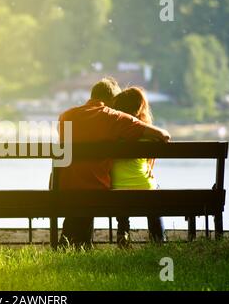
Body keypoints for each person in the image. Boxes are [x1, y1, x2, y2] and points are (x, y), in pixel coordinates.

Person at [57, 77, 170, 248]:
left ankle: (74, 244)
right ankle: (158, 243)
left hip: (65, 188)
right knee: (93, 183)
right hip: (95, 189)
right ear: (111, 100)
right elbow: (162, 135)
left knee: (85, 184)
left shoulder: (65, 116)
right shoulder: (114, 118)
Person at [111, 87, 165, 247]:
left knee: (122, 194)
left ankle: (123, 237)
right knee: (155, 195)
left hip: (116, 189)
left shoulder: (112, 136)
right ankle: (158, 242)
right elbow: (164, 138)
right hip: (144, 188)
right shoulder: (148, 137)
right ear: (140, 108)